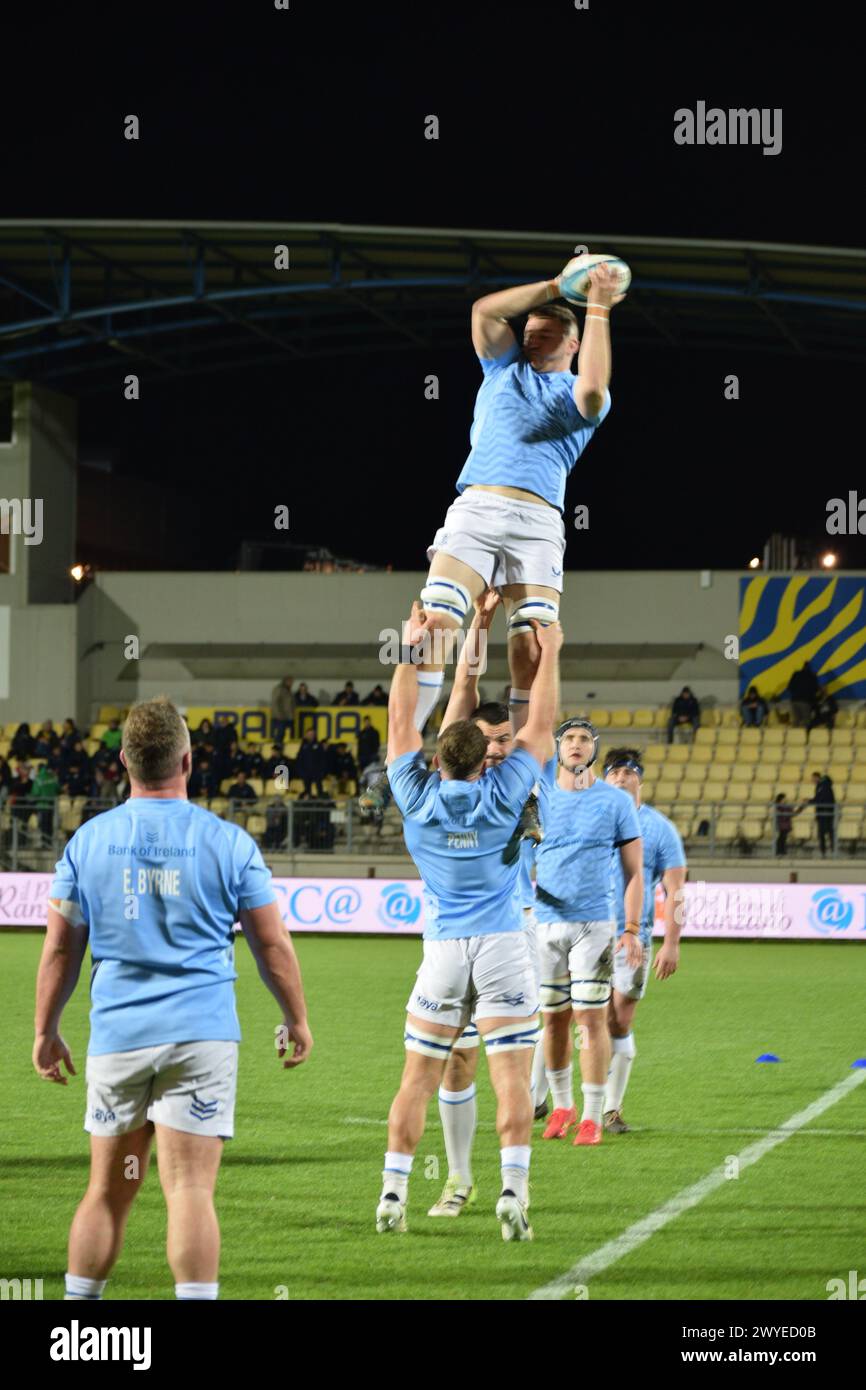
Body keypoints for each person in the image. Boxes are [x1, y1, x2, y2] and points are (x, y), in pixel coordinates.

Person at [33, 695, 311, 1302]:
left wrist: (45, 1029)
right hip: (201, 1036)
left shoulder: (88, 841)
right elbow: (273, 946)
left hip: (118, 1038)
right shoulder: (229, 842)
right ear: (187, 761)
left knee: (108, 1192)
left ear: (125, 764)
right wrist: (296, 1018)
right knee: (188, 1191)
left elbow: (59, 951)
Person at [361, 259, 622, 814]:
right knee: (431, 630)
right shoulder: (501, 370)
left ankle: (527, 790)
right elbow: (484, 310)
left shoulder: (578, 394)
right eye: (527, 332)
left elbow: (597, 386)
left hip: (537, 522)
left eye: (545, 334)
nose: (530, 338)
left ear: (571, 343)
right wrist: (558, 285)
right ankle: (398, 762)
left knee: (529, 648)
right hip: (476, 506)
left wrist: (596, 304)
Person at [375, 599, 561, 1242]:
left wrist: (410, 645)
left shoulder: (416, 795)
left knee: (416, 1077)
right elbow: (540, 721)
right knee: (511, 1074)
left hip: (444, 947)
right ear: (485, 757)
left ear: (438, 759)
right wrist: (553, 651)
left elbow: (403, 718)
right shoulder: (505, 792)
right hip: (506, 942)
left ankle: (393, 1193)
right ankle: (512, 1189)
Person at [425, 591, 548, 1221]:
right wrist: (479, 620)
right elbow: (464, 680)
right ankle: (458, 1179)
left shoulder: (527, 774)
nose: (498, 747)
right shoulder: (465, 771)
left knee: (509, 1063)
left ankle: (516, 1184)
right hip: (448, 933)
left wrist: (534, 634)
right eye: (488, 739)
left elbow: (528, 692)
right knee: (453, 1060)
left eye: (505, 738)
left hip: (514, 929)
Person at [534, 719, 644, 1147]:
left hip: (594, 924)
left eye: (584, 739)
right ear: (557, 747)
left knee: (590, 1018)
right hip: (544, 924)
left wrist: (632, 928)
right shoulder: (538, 793)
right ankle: (562, 1106)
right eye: (568, 739)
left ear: (594, 748)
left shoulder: (614, 802)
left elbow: (634, 873)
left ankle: (594, 1114)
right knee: (553, 1020)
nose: (576, 745)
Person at [602, 748, 686, 1132]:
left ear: (640, 779)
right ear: (604, 779)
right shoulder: (590, 817)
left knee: (620, 1019)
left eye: (628, 772)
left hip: (633, 937)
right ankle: (549, 1100)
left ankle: (610, 1110)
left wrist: (672, 942)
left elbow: (677, 893)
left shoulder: (660, 828)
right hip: (586, 931)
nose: (620, 777)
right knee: (573, 1016)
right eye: (614, 772)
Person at [798, 772, 836, 856]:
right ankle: (829, 851)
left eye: (813, 778)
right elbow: (818, 799)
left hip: (825, 813)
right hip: (824, 813)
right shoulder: (822, 786)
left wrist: (809, 801)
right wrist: (809, 801)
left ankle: (828, 852)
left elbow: (820, 799)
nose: (812, 780)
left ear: (817, 777)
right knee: (827, 833)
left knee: (825, 833)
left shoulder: (824, 786)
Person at [32, 763, 61, 839]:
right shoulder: (53, 777)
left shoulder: (38, 778)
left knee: (43, 824)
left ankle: (44, 842)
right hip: (51, 804)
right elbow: (58, 789)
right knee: (49, 824)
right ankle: (49, 841)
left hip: (42, 804)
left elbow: (35, 792)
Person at [295, 729, 326, 800]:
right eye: (309, 734)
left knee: (319, 789)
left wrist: (321, 771)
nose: (311, 736)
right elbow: (299, 759)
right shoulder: (303, 746)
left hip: (317, 772)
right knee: (307, 790)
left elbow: (322, 759)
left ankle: (320, 803)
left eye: (312, 734)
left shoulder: (318, 745)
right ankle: (308, 804)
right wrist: (301, 771)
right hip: (306, 772)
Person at [788, 662, 819, 727]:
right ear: (809, 667)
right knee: (806, 723)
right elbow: (815, 689)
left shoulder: (796, 674)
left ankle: (794, 736)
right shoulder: (811, 676)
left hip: (794, 700)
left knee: (796, 722)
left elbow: (789, 687)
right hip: (805, 701)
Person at [270, 677, 295, 743]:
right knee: (279, 735)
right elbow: (275, 702)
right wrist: (279, 715)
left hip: (287, 717)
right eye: (290, 681)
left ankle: (279, 747)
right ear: (285, 681)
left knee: (283, 735)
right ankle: (277, 748)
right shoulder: (279, 689)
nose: (291, 683)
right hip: (280, 717)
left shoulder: (288, 690)